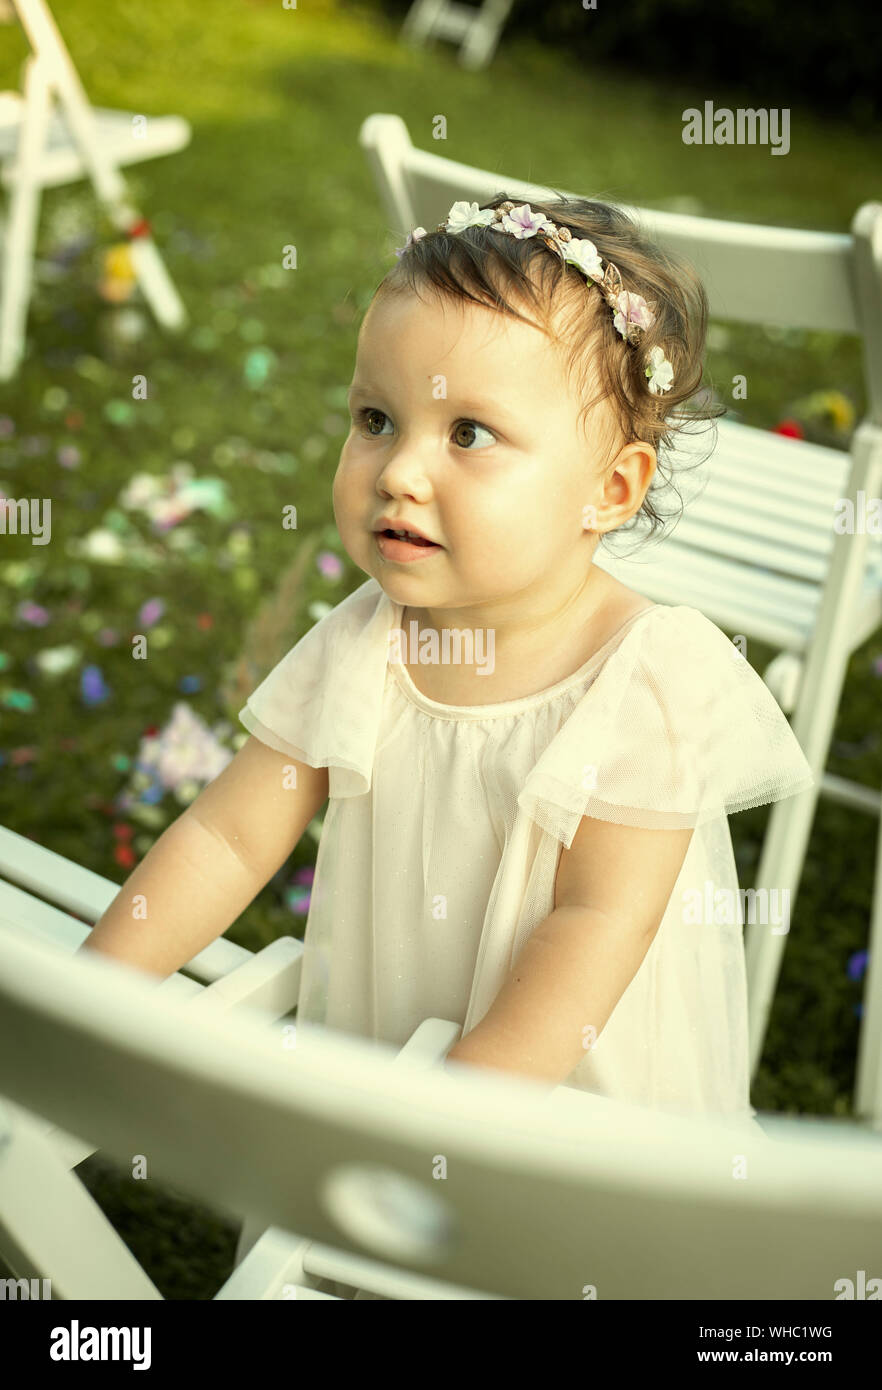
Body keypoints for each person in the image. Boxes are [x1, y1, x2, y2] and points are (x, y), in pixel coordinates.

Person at [81, 192, 813, 1185]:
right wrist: (93, 995)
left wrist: (451, 1117)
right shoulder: (366, 638)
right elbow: (228, 835)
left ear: (611, 489)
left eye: (469, 434)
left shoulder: (644, 677)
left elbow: (597, 922)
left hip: (560, 1090)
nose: (401, 473)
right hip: (395, 1035)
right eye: (376, 419)